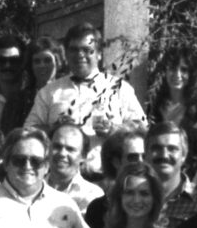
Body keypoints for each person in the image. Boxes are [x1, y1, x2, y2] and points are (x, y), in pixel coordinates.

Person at [25, 23, 146, 167]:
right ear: (66, 53)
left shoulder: (120, 89)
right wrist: (54, 128)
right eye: (74, 50)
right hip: (62, 178)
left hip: (107, 176)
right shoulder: (49, 92)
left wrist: (114, 130)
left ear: (99, 54)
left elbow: (142, 128)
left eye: (87, 50)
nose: (80, 55)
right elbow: (28, 131)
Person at [146, 48, 197, 171]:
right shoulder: (152, 109)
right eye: (172, 68)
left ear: (191, 74)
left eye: (184, 70)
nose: (177, 74)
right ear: (165, 71)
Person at [84, 127, 147, 228]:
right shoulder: (97, 209)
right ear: (116, 161)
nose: (141, 163)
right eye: (133, 157)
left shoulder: (157, 204)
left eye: (145, 157)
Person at [145, 120, 197, 228]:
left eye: (172, 149)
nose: (164, 155)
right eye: (156, 148)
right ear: (146, 154)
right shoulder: (131, 196)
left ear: (184, 155)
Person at [45, 123, 104, 212]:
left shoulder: (92, 195)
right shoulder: (31, 185)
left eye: (70, 149)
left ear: (83, 156)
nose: (62, 154)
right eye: (57, 146)